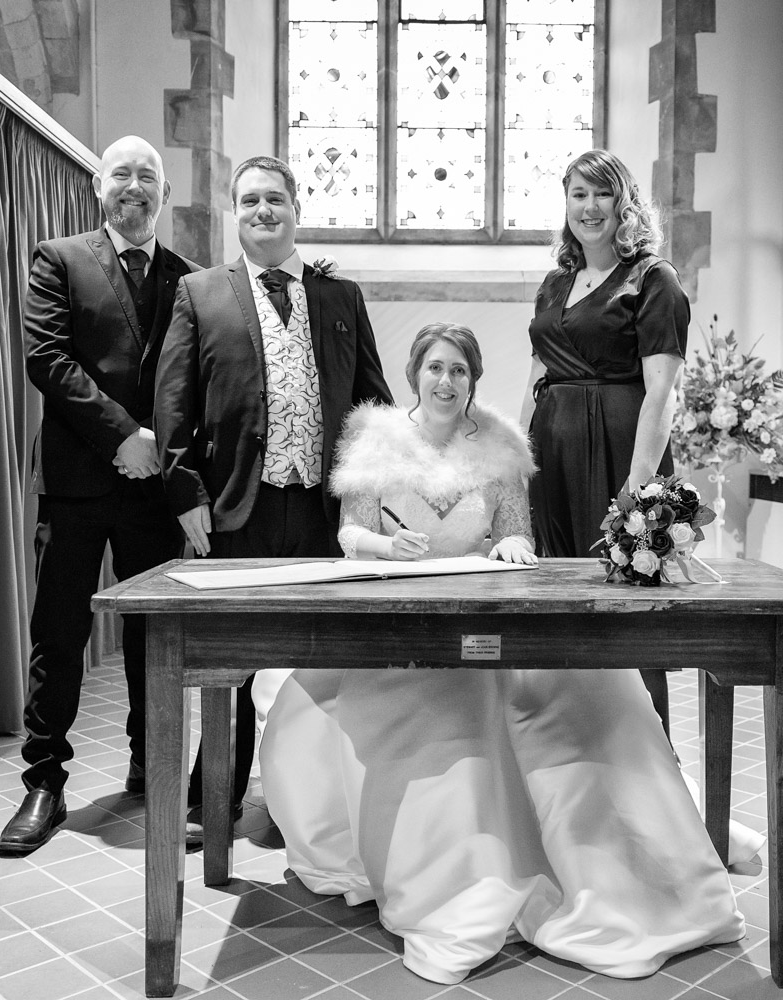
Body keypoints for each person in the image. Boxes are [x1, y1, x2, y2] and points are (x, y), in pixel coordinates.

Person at [260, 324, 747, 985]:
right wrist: (383, 549)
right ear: (414, 373)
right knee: (434, 710)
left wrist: (512, 548)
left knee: (589, 695)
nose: (446, 381)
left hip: (485, 610)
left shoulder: (500, 445)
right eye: (434, 368)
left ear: (474, 379)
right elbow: (350, 532)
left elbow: (516, 533)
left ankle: (615, 857)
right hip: (399, 619)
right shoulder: (376, 440)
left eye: (459, 370)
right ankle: (453, 874)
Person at [153, 154, 394, 818]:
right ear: (237, 212)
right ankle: (214, 797)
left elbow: (373, 399)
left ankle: (321, 799)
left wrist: (380, 493)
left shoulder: (339, 298)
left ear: (296, 209)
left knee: (323, 658)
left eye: (276, 200)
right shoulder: (201, 293)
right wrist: (186, 492)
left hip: (324, 509)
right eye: (251, 200)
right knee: (231, 658)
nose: (264, 211)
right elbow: (173, 403)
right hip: (237, 503)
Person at [0, 136, 199, 857]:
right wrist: (122, 435)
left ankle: (152, 764)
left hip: (154, 495)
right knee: (59, 633)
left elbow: (192, 385)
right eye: (123, 173)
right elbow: (45, 357)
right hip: (79, 482)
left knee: (155, 635)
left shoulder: (190, 278)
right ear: (97, 184)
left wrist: (174, 467)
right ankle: (43, 782)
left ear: (165, 193)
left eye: (149, 175)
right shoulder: (59, 258)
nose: (135, 185)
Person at [521, 148, 687, 737]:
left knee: (628, 606)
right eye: (578, 195)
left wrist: (640, 484)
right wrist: (519, 459)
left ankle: (646, 756)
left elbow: (662, 392)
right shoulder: (554, 282)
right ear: (565, 205)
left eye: (602, 194)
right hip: (554, 452)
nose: (589, 207)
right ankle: (566, 745)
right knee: (556, 597)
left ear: (625, 203)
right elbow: (539, 374)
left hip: (621, 450)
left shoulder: (653, 278)